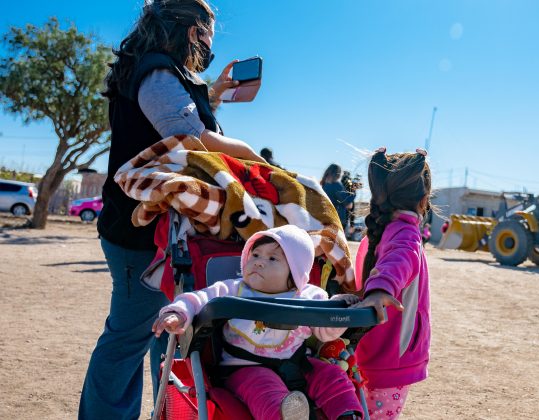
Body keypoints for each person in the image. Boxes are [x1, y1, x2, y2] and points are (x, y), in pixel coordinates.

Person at [80, 1, 265, 418]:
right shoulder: (157, 71)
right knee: (128, 337)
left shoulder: (159, 71)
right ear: (189, 30)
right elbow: (188, 138)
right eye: (207, 35)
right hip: (141, 234)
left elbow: (179, 124)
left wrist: (213, 93)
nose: (209, 45)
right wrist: (255, 158)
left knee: (163, 336)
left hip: (154, 231)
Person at [153, 225, 363, 419]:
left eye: (273, 259)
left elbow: (325, 332)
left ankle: (346, 413)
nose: (259, 261)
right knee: (264, 389)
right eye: (254, 255)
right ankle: (286, 415)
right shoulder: (233, 289)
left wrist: (338, 307)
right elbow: (198, 299)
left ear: (296, 271)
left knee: (331, 375)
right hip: (243, 368)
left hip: (297, 363)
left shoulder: (309, 296)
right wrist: (179, 312)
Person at [351, 148, 432, 419]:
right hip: (391, 360)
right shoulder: (406, 233)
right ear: (424, 199)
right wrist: (382, 288)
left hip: (370, 353)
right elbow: (400, 261)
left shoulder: (380, 233)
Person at [321, 164, 355, 230]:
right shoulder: (337, 185)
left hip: (324, 218)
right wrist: (353, 192)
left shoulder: (323, 184)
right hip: (337, 219)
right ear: (338, 173)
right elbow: (349, 205)